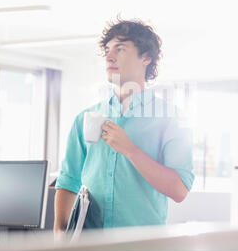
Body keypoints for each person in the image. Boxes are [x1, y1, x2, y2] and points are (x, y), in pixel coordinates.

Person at [53, 18, 194, 236]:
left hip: (142, 246)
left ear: (146, 57)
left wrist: (130, 150)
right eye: (108, 50)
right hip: (89, 244)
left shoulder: (171, 119)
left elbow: (179, 190)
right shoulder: (85, 118)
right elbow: (69, 179)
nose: (109, 56)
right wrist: (59, 235)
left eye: (120, 49)